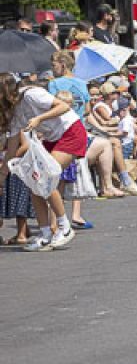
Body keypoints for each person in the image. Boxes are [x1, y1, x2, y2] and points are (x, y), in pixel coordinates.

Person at [0, 75, 85, 251]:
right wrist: (1, 176)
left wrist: (40, 118)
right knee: (34, 182)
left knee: (44, 178)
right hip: (53, 138)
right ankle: (45, 234)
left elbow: (64, 106)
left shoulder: (32, 94)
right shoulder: (15, 112)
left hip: (71, 132)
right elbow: (12, 148)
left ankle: (64, 227)